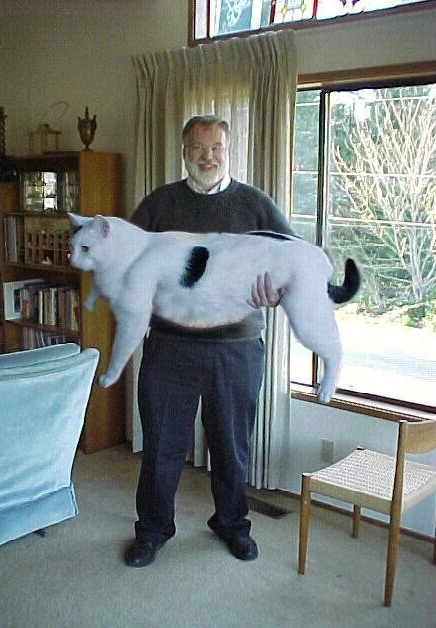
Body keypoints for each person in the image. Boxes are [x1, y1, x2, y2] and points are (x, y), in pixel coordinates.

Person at [125, 114, 295, 568]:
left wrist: (276, 291)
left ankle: (232, 524)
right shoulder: (159, 205)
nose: (208, 156)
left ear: (227, 150)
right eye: (199, 148)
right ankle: (152, 530)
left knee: (231, 446)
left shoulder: (255, 205)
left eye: (216, 147)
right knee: (161, 447)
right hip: (169, 346)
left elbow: (292, 259)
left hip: (236, 349)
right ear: (184, 152)